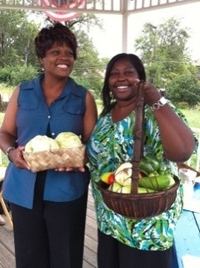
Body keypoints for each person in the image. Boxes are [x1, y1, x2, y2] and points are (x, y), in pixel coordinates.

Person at [86, 53, 197, 268]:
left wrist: (155, 99)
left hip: (147, 227)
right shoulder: (107, 116)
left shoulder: (154, 111)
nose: (121, 78)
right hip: (109, 219)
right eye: (114, 74)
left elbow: (183, 151)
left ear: (141, 78)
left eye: (129, 73)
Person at [0, 23, 97, 268]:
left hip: (67, 190)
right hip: (23, 188)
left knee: (66, 257)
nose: (64, 57)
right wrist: (12, 153)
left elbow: (93, 143)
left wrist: (80, 158)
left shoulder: (83, 97)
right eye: (55, 52)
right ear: (42, 58)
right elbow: (5, 132)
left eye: (69, 53)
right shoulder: (22, 92)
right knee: (30, 256)